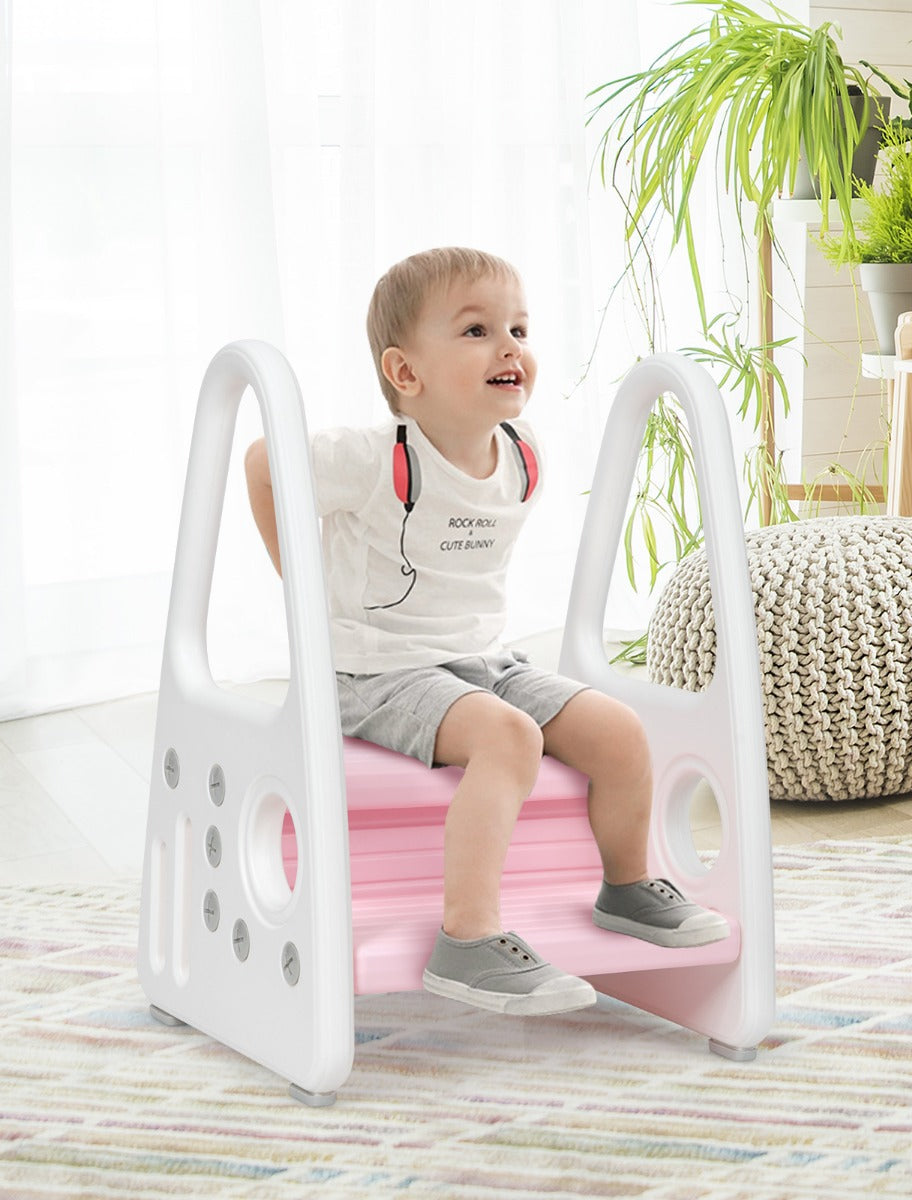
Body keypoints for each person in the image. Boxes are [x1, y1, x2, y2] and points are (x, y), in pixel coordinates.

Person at [245, 247, 728, 1017]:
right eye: (476, 331)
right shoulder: (374, 456)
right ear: (407, 374)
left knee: (619, 732)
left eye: (518, 328)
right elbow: (263, 463)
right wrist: (300, 592)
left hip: (480, 659)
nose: (510, 347)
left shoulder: (521, 453)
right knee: (509, 741)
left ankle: (629, 886)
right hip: (374, 672)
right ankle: (467, 938)